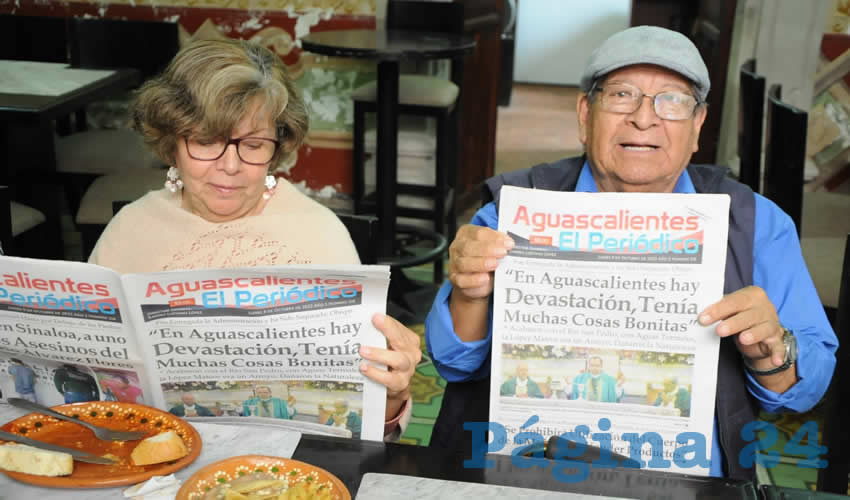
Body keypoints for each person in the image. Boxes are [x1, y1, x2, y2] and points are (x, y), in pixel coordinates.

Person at [425, 26, 838, 479]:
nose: (644, 119)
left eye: (673, 100)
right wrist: (469, 296)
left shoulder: (756, 223)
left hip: (685, 480)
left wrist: (772, 348)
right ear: (585, 114)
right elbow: (453, 363)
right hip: (524, 470)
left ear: (698, 126)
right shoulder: (516, 208)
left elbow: (805, 390)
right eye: (622, 95)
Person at [88, 39, 419, 438]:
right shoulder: (130, 230)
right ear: (172, 142)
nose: (230, 166)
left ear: (277, 148)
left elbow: (371, 428)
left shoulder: (319, 233)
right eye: (207, 141)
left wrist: (394, 395)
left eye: (253, 145)